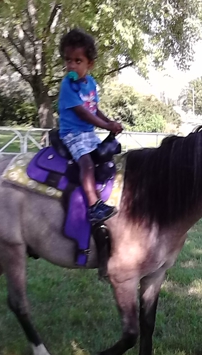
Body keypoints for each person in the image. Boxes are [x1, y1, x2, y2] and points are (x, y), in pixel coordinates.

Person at [58, 28, 123, 224]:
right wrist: (105, 125)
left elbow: (93, 109)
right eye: (69, 60)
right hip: (72, 134)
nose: (72, 66)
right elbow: (83, 113)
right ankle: (94, 206)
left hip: (87, 132)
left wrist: (110, 122)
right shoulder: (67, 85)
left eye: (78, 61)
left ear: (90, 64)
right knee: (86, 164)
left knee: (109, 157)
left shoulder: (91, 83)